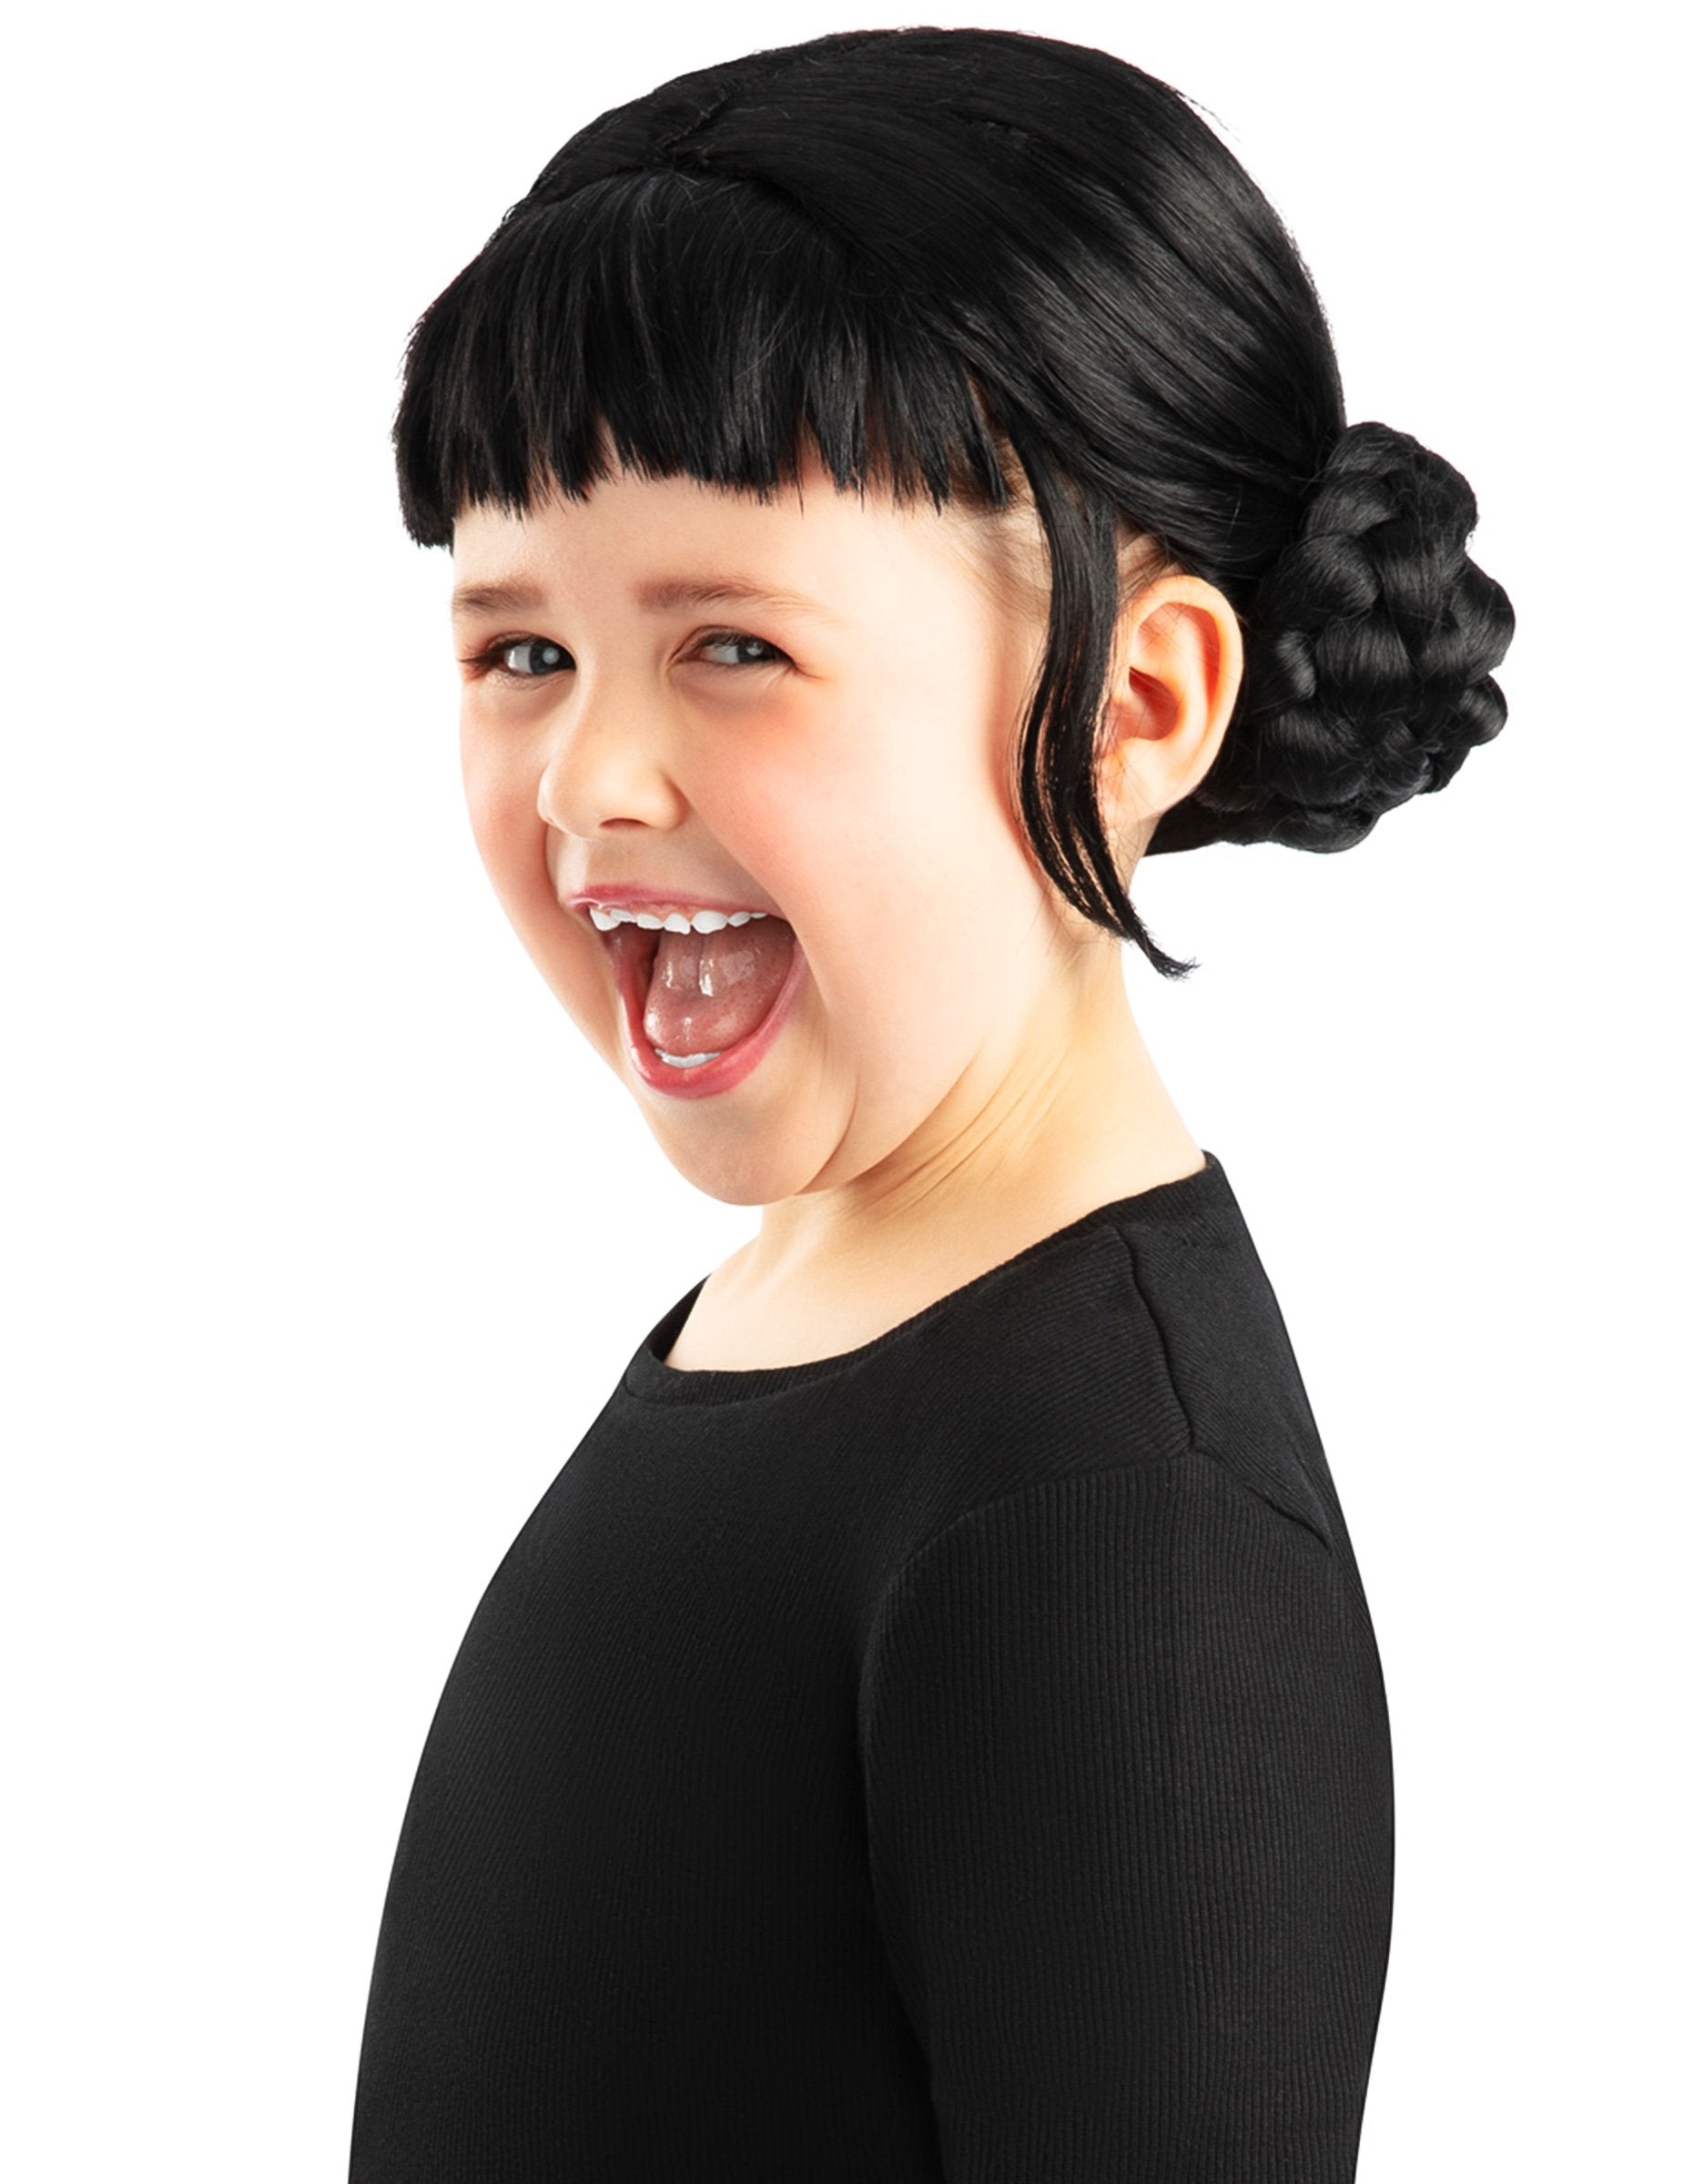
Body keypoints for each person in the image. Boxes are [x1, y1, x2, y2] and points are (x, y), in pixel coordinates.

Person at [349, 25, 1511, 2181]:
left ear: (1132, 702)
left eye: (733, 646)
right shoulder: (806, 1302)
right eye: (520, 652)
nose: (591, 779)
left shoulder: (1112, 1541)